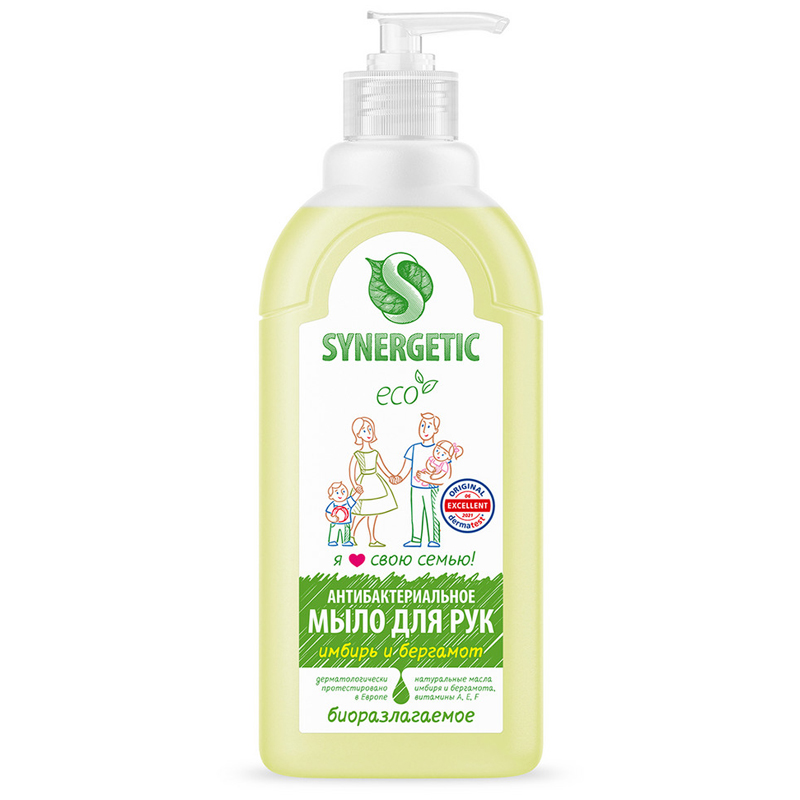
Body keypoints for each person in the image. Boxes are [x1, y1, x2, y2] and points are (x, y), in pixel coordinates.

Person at [390, 412, 450, 547]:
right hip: (415, 488)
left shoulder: (440, 450)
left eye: (428, 426)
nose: (424, 430)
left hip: (432, 489)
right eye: (422, 425)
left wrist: (429, 479)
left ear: (436, 430)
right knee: (416, 514)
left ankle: (434, 539)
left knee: (432, 513)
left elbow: (446, 474)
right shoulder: (413, 448)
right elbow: (405, 470)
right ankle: (416, 539)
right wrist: (397, 478)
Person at [349, 416, 397, 547]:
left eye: (370, 429)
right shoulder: (357, 454)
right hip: (363, 485)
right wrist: (355, 485)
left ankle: (372, 539)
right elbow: (352, 472)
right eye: (364, 430)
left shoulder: (375, 453)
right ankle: (351, 535)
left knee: (374, 513)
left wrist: (392, 477)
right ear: (358, 434)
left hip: (376, 484)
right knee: (360, 513)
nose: (368, 433)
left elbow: (383, 468)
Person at [324, 481, 361, 546]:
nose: (341, 494)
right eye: (337, 493)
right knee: (334, 531)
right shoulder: (333, 504)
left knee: (346, 532)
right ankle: (332, 540)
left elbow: (354, 498)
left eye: (343, 491)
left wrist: (358, 492)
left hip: (346, 523)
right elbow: (328, 513)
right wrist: (332, 519)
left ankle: (346, 541)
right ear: (331, 496)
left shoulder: (348, 502)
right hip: (335, 523)